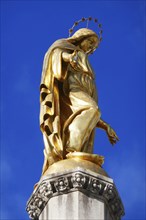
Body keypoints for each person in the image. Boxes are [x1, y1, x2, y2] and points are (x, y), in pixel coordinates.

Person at [40, 28, 119, 175]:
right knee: (92, 109)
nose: (91, 46)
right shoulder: (67, 48)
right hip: (72, 90)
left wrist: (105, 126)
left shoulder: (84, 58)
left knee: (92, 112)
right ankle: (72, 149)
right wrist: (68, 58)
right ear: (81, 37)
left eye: (93, 45)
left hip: (82, 92)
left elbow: (86, 111)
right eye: (90, 41)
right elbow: (54, 54)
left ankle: (76, 149)